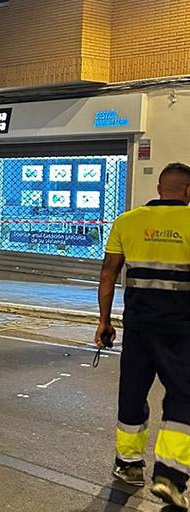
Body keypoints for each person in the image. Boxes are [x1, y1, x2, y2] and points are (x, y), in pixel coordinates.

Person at [96, 162, 190, 509]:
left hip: (138, 327)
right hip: (181, 330)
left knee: (132, 394)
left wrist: (104, 322)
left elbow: (107, 275)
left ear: (160, 189)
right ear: (188, 192)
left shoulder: (127, 221)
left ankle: (129, 466)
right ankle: (170, 475)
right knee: (183, 397)